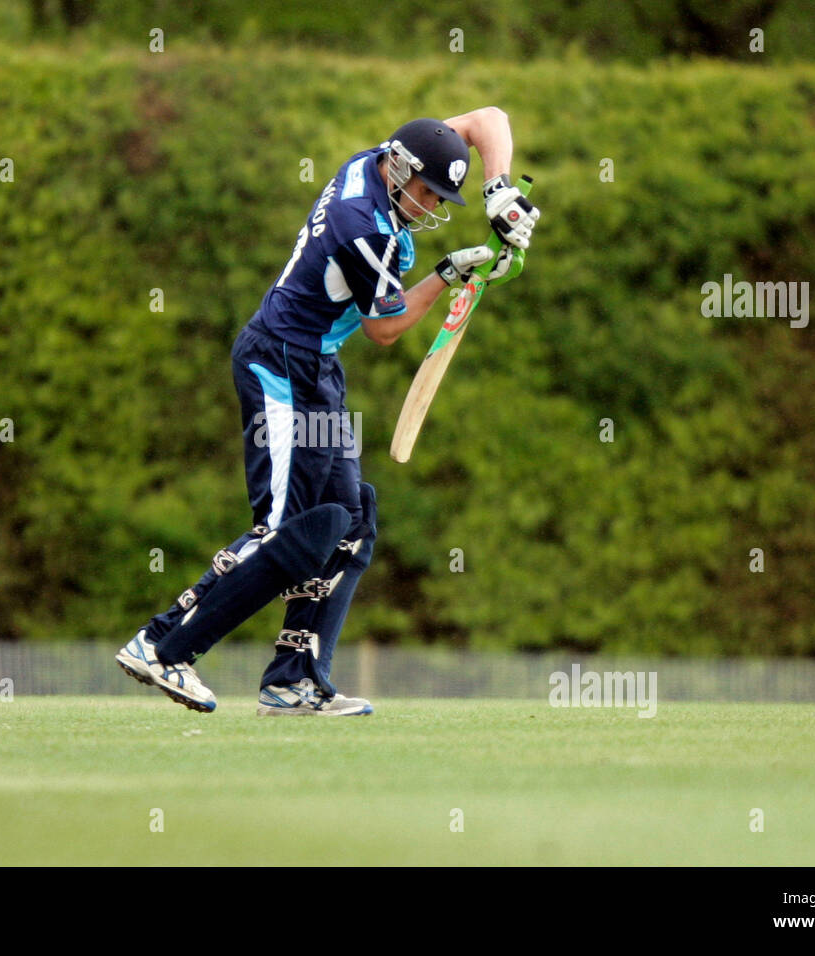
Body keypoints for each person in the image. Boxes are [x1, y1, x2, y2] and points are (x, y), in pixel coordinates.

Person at [116, 109, 540, 715]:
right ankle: (162, 645)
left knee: (350, 520)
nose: (430, 205)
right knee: (285, 529)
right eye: (426, 192)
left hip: (317, 368)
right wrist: (452, 271)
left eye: (443, 196)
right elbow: (386, 328)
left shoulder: (381, 160)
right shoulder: (361, 226)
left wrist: (499, 193)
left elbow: (486, 119)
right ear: (402, 171)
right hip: (278, 367)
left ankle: (293, 682)